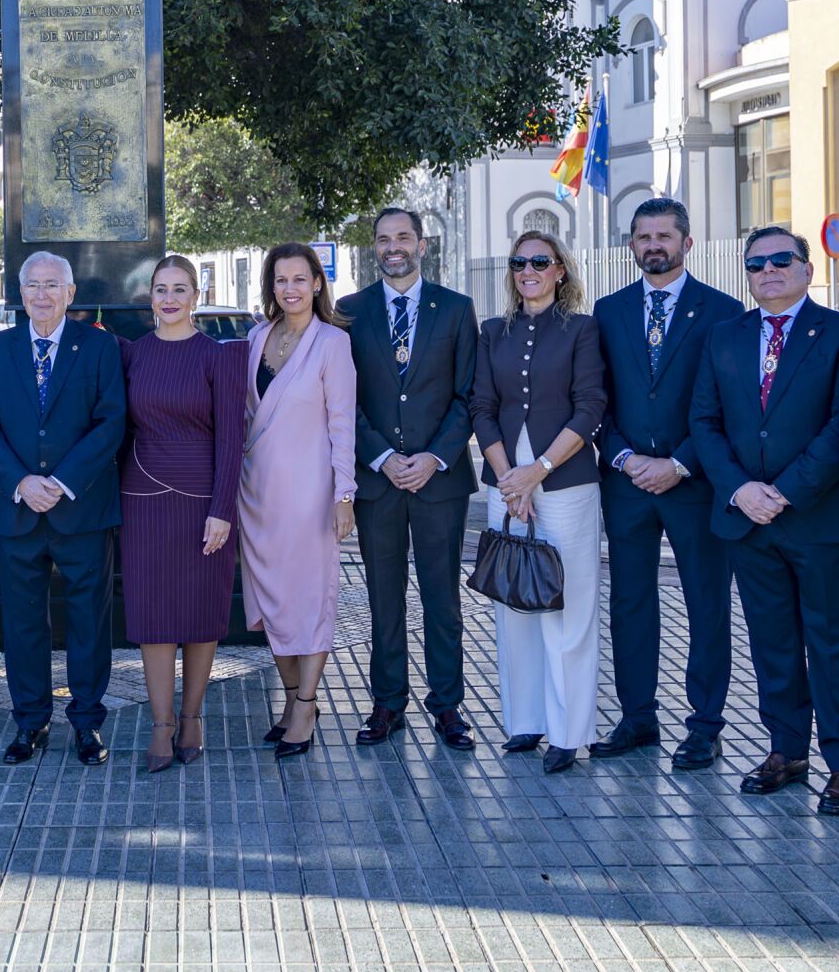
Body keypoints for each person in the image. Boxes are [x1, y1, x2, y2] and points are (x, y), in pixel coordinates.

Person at [689, 227, 839, 814]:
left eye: (780, 260)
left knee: (834, 644)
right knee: (774, 644)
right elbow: (704, 423)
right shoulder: (725, 336)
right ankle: (786, 751)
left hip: (819, 519)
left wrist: (785, 492)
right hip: (748, 521)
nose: (768, 270)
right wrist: (741, 489)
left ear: (807, 268)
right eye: (756, 263)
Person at [590, 197, 742, 769]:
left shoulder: (723, 312)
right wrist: (625, 457)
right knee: (630, 600)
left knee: (707, 603)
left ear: (687, 243)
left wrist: (678, 463)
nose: (654, 245)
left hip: (695, 482)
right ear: (630, 245)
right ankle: (637, 716)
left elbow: (727, 405)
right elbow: (594, 398)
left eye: (664, 235)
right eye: (643, 236)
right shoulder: (608, 311)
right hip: (626, 482)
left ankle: (705, 724)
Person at [0, 251, 127, 767]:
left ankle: (87, 723)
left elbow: (110, 421)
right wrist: (21, 481)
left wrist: (60, 481)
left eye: (51, 285)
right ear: (20, 293)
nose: (41, 294)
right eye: (32, 285)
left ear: (70, 293)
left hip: (81, 510)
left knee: (88, 620)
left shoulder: (100, 348)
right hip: (19, 510)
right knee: (22, 623)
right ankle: (30, 722)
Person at [337, 207, 479, 750]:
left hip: (439, 482)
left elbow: (469, 395)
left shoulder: (456, 309)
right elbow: (341, 398)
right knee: (383, 598)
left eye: (403, 237)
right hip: (378, 482)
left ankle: (448, 706)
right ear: (375, 246)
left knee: (442, 598)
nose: (393, 246)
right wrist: (380, 457)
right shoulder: (350, 312)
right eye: (383, 238)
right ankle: (386, 703)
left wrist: (433, 457)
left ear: (421, 245)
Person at [470, 231, 606, 773]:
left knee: (567, 607)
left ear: (560, 271)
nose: (528, 270)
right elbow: (482, 407)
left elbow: (589, 405)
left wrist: (538, 472)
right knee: (515, 604)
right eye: (519, 262)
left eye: (539, 262)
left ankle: (568, 732)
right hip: (505, 480)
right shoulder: (492, 332)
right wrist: (510, 481)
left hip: (565, 479)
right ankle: (525, 721)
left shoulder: (582, 329)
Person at [117, 255, 245, 772]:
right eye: (160, 289)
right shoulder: (132, 355)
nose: (169, 299)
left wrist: (222, 510)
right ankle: (162, 724)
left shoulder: (220, 356)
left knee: (199, 613)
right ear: (150, 296)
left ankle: (193, 717)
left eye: (179, 289)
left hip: (203, 504)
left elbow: (233, 440)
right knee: (153, 617)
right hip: (143, 500)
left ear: (196, 294)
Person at [237, 242, 357, 760]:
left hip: (311, 494)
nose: (290, 288)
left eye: (299, 279)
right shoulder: (255, 337)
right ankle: (290, 701)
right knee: (269, 603)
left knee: (308, 602)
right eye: (280, 280)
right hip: (256, 492)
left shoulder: (333, 343)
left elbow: (342, 424)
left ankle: (306, 706)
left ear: (317, 283)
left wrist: (344, 494)